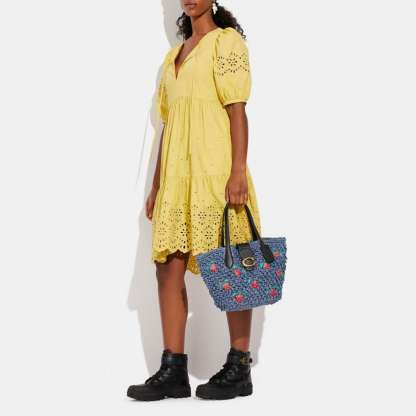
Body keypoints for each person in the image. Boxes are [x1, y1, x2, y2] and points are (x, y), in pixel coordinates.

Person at [127, 0, 262, 401]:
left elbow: (237, 111)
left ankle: (239, 367)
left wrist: (238, 171)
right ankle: (173, 370)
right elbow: (168, 127)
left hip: (216, 172)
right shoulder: (172, 57)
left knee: (234, 265)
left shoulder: (226, 42)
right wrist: (156, 185)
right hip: (176, 178)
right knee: (167, 269)